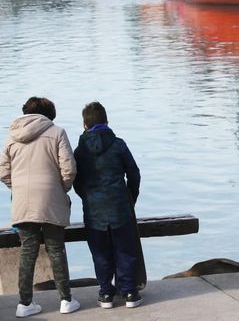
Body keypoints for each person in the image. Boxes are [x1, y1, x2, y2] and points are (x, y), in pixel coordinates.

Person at [0, 97, 81, 318]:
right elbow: (69, 168)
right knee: (56, 249)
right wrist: (61, 188)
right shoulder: (57, 132)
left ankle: (24, 303)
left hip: (22, 203)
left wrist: (17, 189)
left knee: (28, 252)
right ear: (48, 115)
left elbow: (3, 172)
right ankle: (66, 300)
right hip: (51, 200)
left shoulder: (12, 137)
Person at [73, 102, 143, 309]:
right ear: (106, 122)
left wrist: (87, 197)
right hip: (120, 206)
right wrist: (131, 197)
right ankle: (130, 292)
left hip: (94, 211)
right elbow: (134, 173)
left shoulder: (80, 151)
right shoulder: (118, 144)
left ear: (84, 125)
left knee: (100, 252)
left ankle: (105, 293)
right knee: (125, 250)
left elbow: (76, 180)